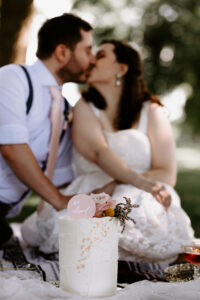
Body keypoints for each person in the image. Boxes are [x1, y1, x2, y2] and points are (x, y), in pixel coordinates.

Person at [22, 40, 194, 264]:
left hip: (143, 190)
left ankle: (137, 261)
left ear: (122, 69)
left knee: (134, 204)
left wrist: (120, 184)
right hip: (93, 190)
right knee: (84, 224)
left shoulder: (151, 111)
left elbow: (166, 173)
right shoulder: (84, 107)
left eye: (101, 55)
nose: (92, 59)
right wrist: (113, 186)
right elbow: (98, 151)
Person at [0, 13, 96, 248]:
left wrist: (102, 195)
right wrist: (59, 201)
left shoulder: (64, 109)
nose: (93, 60)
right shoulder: (11, 78)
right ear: (62, 52)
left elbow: (62, 178)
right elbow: (12, 148)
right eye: (88, 50)